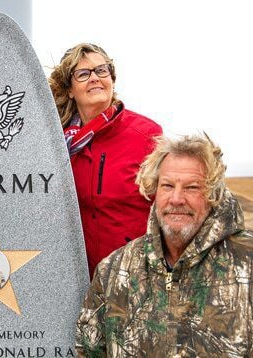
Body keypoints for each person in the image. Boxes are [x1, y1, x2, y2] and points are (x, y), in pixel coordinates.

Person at [75, 134, 253, 356]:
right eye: (167, 186)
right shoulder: (113, 270)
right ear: (154, 190)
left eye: (191, 187)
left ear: (213, 194)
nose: (177, 199)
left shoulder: (247, 263)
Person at [49, 43, 163, 277]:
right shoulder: (58, 144)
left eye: (102, 70)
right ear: (69, 89)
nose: (94, 78)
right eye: (82, 74)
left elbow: (167, 206)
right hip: (79, 279)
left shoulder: (147, 135)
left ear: (111, 79)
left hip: (135, 276)